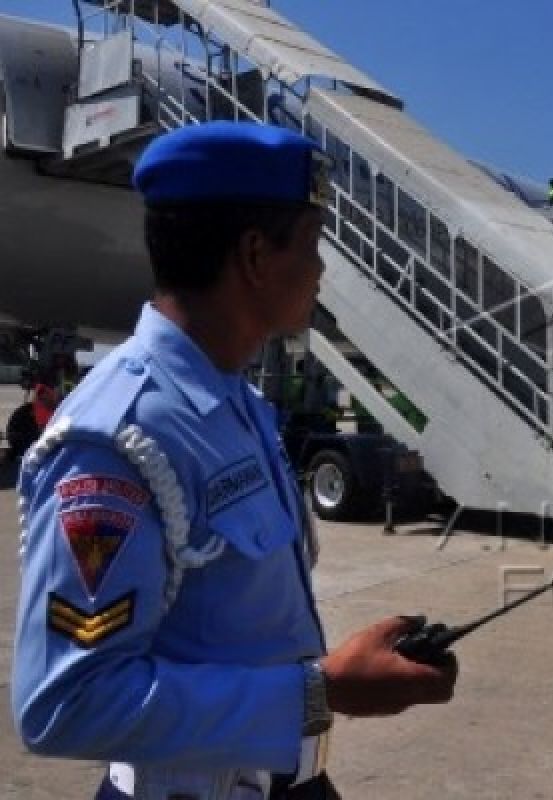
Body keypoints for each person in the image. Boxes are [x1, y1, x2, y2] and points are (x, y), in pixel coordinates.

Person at [11, 122, 457, 800]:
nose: (322, 269)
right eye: (311, 244)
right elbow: (67, 703)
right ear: (254, 255)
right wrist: (322, 690)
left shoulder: (236, 405)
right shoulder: (115, 441)